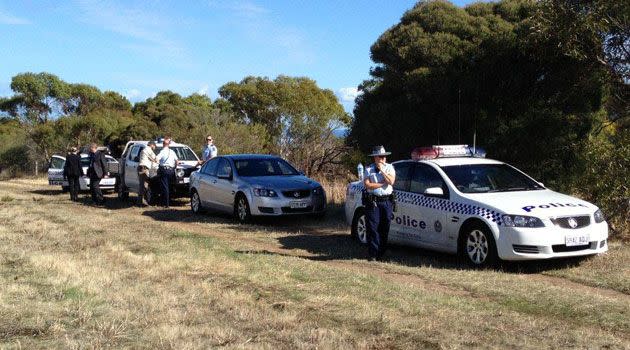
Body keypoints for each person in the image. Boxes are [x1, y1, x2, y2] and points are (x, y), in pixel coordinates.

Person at [363, 145, 396, 261]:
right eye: (380, 157)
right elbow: (368, 185)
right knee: (373, 227)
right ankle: (373, 254)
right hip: (373, 202)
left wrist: (382, 170)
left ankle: (382, 252)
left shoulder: (390, 168)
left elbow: (391, 181)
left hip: (387, 201)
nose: (383, 159)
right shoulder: (368, 169)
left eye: (384, 157)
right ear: (375, 158)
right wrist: (382, 184)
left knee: (385, 226)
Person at [156, 137, 179, 208]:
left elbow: (157, 159)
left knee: (164, 187)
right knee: (169, 186)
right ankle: (168, 202)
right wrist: (174, 167)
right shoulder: (172, 152)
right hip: (171, 171)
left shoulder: (162, 151)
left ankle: (166, 204)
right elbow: (177, 161)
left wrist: (158, 164)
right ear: (168, 145)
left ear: (163, 144)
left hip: (164, 170)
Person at [137, 141, 157, 206]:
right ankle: (141, 202)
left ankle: (141, 202)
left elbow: (149, 158)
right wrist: (157, 161)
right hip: (144, 169)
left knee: (142, 185)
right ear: (152, 145)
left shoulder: (144, 150)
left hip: (141, 168)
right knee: (144, 186)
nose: (154, 148)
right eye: (154, 146)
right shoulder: (148, 149)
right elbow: (155, 158)